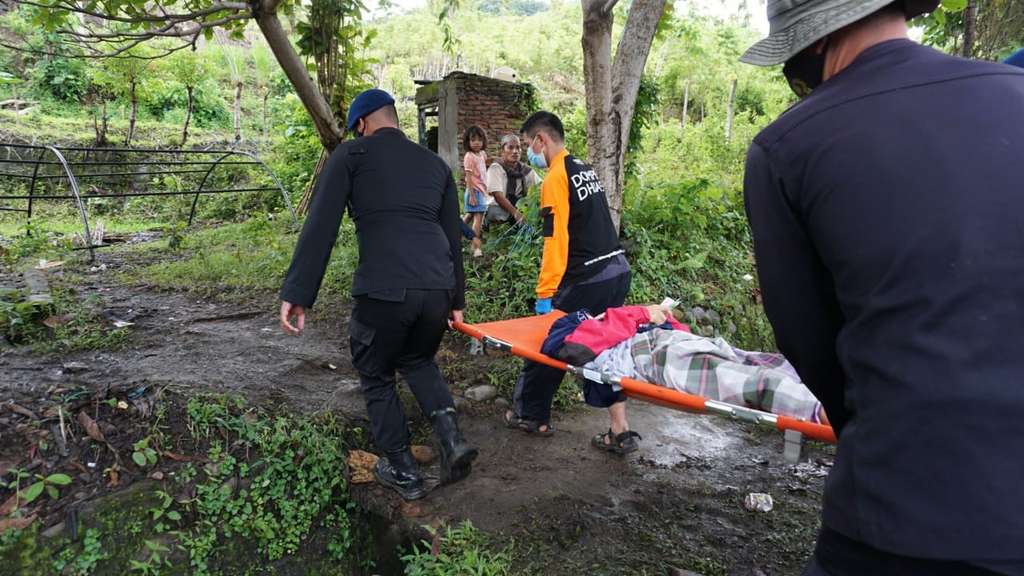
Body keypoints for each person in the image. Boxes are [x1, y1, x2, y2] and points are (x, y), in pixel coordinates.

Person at [740, 1, 1024, 574]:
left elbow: (808, 342)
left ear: (813, 43)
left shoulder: (786, 148)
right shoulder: (1015, 91)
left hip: (908, 509)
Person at [278, 88, 478, 501]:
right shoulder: (435, 165)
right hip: (437, 287)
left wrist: (299, 291)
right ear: (394, 119)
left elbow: (322, 224)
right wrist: (457, 300)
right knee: (417, 358)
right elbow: (452, 238)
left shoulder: (352, 155)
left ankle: (402, 470)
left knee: (376, 372)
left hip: (385, 289)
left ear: (363, 124)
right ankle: (452, 439)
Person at [504, 111, 637, 454]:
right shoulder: (583, 167)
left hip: (588, 277)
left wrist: (546, 292)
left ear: (540, 141)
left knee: (548, 342)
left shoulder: (555, 177)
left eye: (527, 144)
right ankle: (620, 430)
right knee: (601, 346)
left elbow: (555, 239)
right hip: (616, 269)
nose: (528, 151)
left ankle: (531, 415)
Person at [484, 134, 541, 226]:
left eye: (518, 148)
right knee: (496, 213)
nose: (515, 151)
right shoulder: (496, 168)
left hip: (520, 209)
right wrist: (515, 213)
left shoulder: (526, 171)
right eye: (510, 148)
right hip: (498, 208)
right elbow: (498, 196)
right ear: (502, 151)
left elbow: (541, 187)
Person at [462, 125, 489, 257]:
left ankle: (454, 231)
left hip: (481, 191)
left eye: (479, 140)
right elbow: (468, 177)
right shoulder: (469, 156)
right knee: (478, 219)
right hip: (474, 192)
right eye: (473, 140)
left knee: (469, 216)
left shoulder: (482, 154)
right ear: (468, 142)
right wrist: (472, 195)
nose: (477, 143)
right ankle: (475, 247)